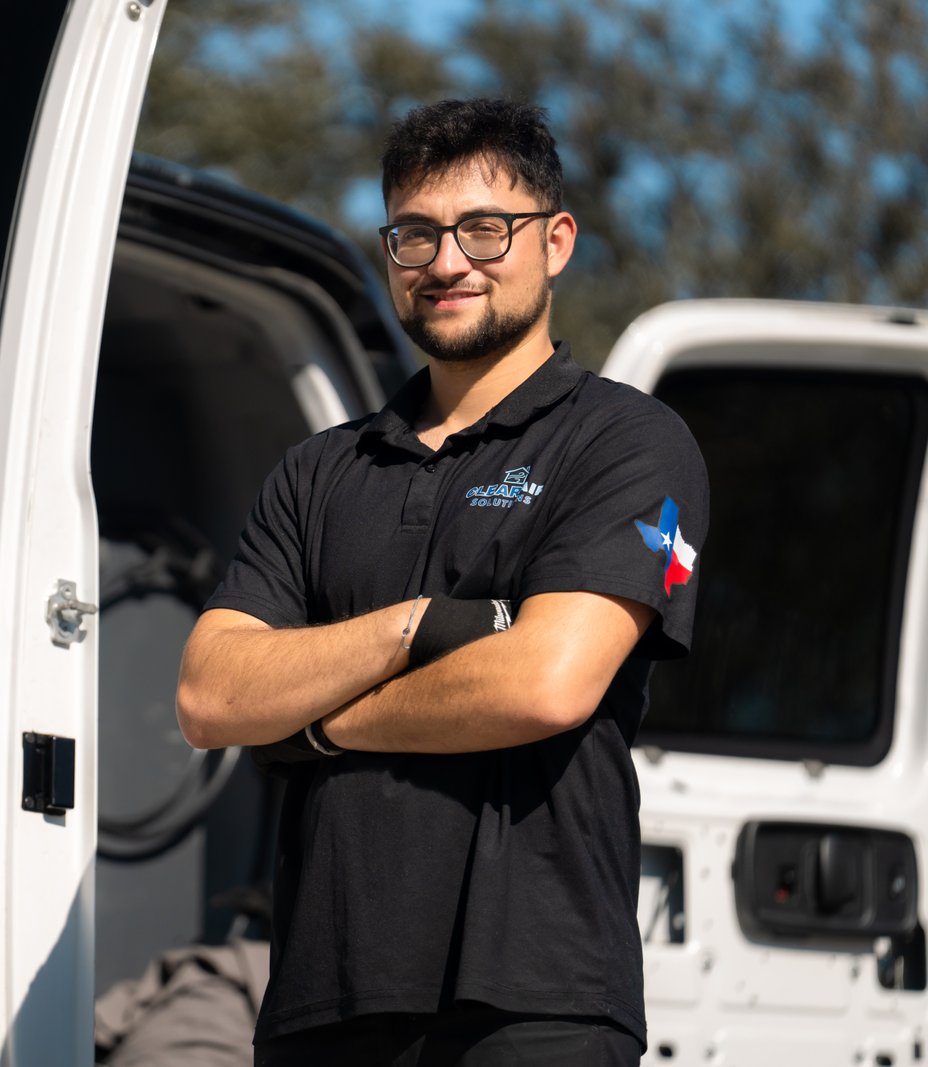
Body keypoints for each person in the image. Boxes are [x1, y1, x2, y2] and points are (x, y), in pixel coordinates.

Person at [174, 98, 708, 1065]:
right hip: (321, 1003)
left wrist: (320, 725)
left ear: (556, 241)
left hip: (535, 1000)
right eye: (415, 234)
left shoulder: (625, 440)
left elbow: (547, 681)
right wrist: (417, 625)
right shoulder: (317, 472)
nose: (447, 261)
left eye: (484, 229)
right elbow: (211, 695)